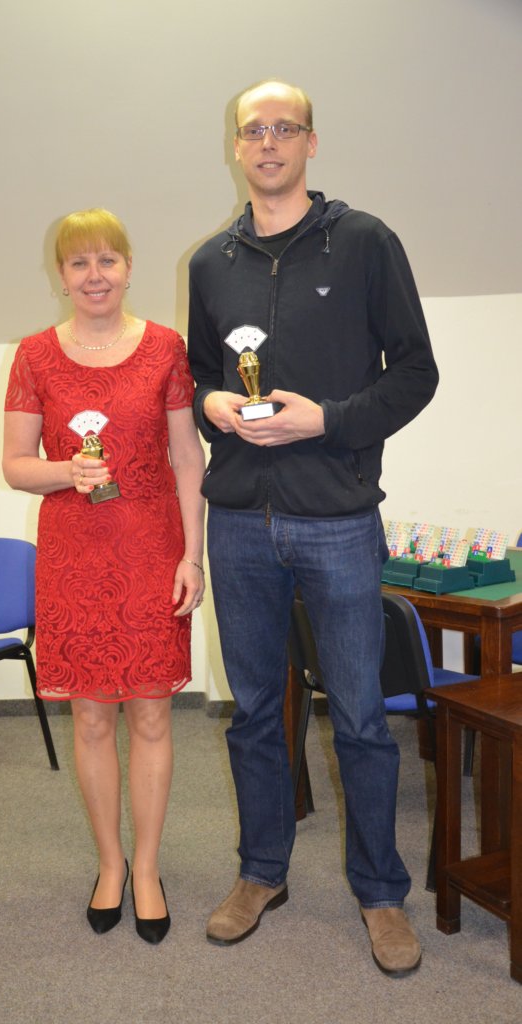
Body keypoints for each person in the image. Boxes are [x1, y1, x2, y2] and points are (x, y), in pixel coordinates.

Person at [187, 80, 438, 975]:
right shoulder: (210, 263)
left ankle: (380, 893)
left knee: (362, 718)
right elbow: (196, 375)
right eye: (252, 130)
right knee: (255, 713)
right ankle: (262, 873)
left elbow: (416, 373)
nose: (267, 143)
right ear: (236, 145)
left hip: (336, 518)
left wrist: (326, 421)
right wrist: (211, 402)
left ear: (311, 142)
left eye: (283, 128)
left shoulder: (366, 242)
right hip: (238, 521)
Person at [3, 208, 206, 944]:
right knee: (90, 717)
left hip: (152, 551)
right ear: (61, 276)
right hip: (74, 557)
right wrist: (67, 471)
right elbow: (15, 465)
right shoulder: (34, 355)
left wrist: (193, 555)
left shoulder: (165, 348)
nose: (95, 276)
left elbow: (187, 457)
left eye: (107, 260)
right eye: (79, 263)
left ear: (128, 267)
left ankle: (147, 868)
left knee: (151, 714)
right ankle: (111, 864)